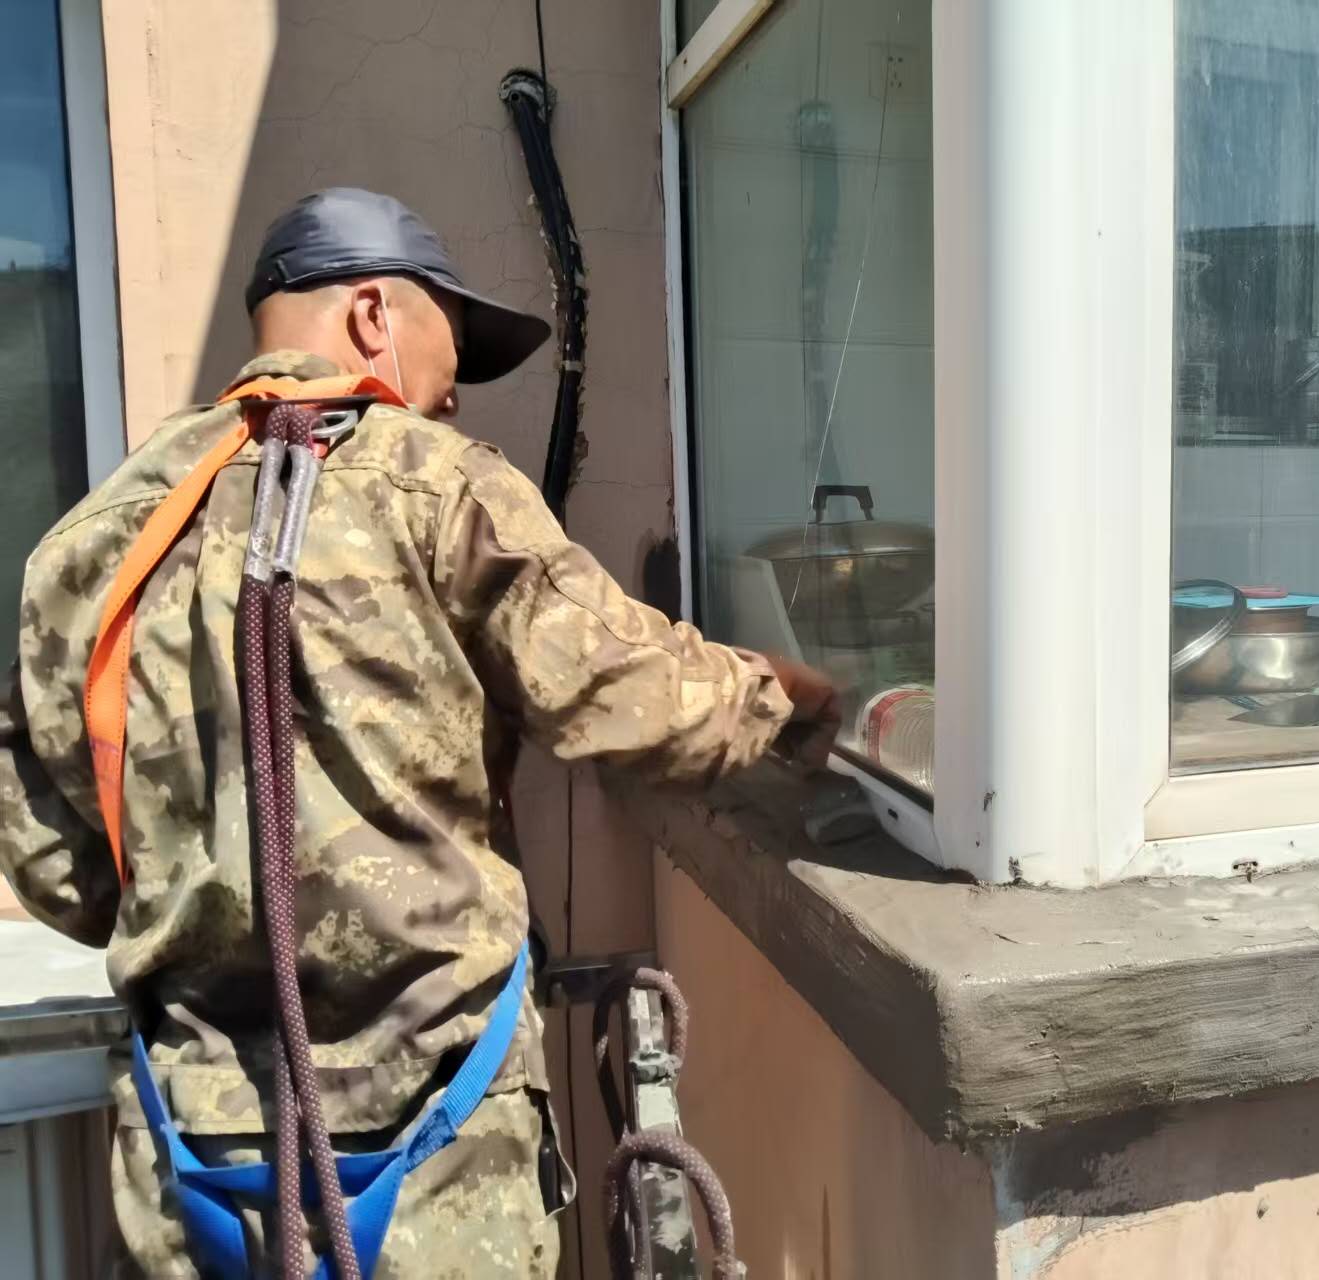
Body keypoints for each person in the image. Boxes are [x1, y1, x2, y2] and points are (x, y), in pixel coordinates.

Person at [0, 188, 838, 1277]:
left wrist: (198, 911)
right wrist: (784, 696)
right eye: (448, 365)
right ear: (370, 316)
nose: (447, 403)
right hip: (435, 1157)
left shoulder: (93, 539)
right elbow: (628, 692)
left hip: (194, 1162)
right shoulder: (435, 486)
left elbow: (51, 859)